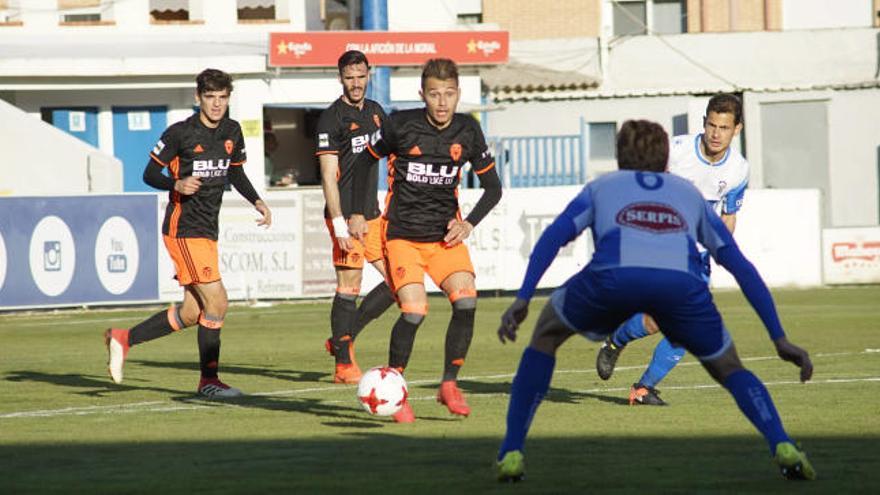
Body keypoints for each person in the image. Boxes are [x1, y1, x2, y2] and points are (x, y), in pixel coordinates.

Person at [495, 120, 815, 482]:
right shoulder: (687, 194)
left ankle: (512, 450)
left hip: (610, 279)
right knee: (730, 368)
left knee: (546, 337)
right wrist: (778, 337)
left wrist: (522, 299)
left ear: (618, 159)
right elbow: (739, 265)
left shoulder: (602, 187)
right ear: (666, 161)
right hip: (680, 287)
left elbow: (553, 238)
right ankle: (782, 444)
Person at [104, 68, 272, 398]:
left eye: (222, 98)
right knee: (218, 302)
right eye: (210, 97)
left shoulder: (232, 131)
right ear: (198, 98)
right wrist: (175, 183)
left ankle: (123, 339)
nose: (216, 104)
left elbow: (235, 174)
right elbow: (149, 173)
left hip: (208, 230)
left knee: (193, 312)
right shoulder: (181, 133)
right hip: (184, 229)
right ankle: (209, 382)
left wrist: (257, 200)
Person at [353, 57, 502, 422]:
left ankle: (449, 384)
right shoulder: (402, 125)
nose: (441, 102)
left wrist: (468, 224)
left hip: (444, 239)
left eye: (449, 94)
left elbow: (493, 189)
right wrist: (358, 211)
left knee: (466, 300)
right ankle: (396, 390)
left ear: (458, 95)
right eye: (434, 94)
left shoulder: (468, 130)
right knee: (415, 310)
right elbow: (362, 163)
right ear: (423, 94)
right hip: (402, 236)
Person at [596, 94, 750, 405]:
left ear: (737, 130)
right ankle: (622, 350)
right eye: (711, 125)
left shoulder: (738, 169)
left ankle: (636, 378)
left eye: (724, 127)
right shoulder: (677, 151)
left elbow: (728, 216)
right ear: (703, 123)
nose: (716, 133)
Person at [315, 50, 397, 384]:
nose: (356, 83)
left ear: (369, 74)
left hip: (373, 216)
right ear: (340, 78)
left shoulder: (377, 113)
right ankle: (344, 365)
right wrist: (340, 222)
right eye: (349, 77)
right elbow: (327, 176)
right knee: (349, 286)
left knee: (398, 282)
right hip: (346, 216)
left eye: (361, 76)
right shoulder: (331, 119)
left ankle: (341, 339)